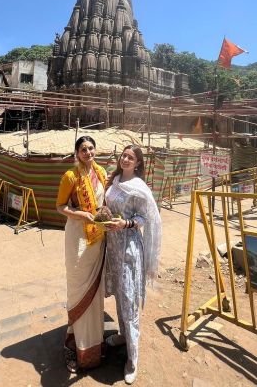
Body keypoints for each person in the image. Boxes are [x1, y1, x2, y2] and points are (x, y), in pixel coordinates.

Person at [104, 145, 162, 385]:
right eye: (124, 155)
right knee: (119, 295)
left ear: (138, 163)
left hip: (129, 247)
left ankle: (133, 358)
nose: (125, 159)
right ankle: (122, 335)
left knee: (129, 299)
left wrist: (124, 224)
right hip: (113, 247)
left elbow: (143, 218)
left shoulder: (138, 187)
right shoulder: (115, 179)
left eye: (131, 157)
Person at [56, 135, 107, 373]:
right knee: (78, 288)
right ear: (76, 153)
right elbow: (60, 206)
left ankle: (94, 343)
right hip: (78, 236)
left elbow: (103, 202)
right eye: (83, 149)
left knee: (95, 292)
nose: (88, 152)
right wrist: (81, 214)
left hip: (97, 237)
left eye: (91, 148)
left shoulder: (102, 173)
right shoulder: (70, 176)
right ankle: (73, 344)